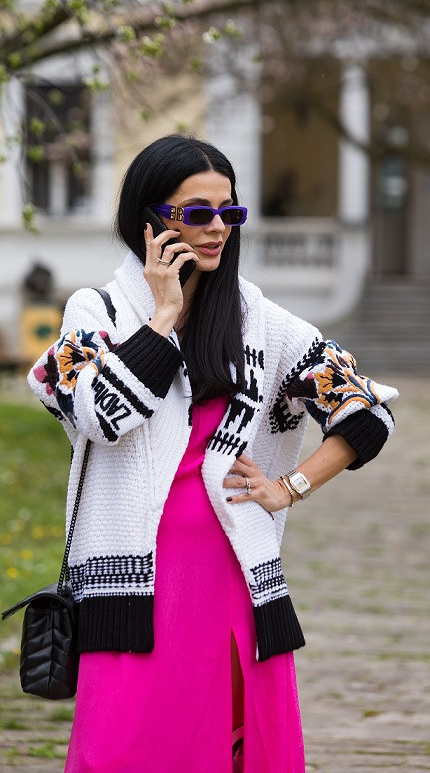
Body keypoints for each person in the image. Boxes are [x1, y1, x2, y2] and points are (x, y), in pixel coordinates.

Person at [28, 134, 398, 773]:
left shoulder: (262, 322)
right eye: (198, 213)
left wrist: (290, 487)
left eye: (229, 212)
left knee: (231, 746)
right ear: (150, 220)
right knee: (123, 746)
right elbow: (101, 417)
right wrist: (162, 318)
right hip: (128, 580)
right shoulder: (98, 311)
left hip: (232, 570)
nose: (218, 228)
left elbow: (367, 412)